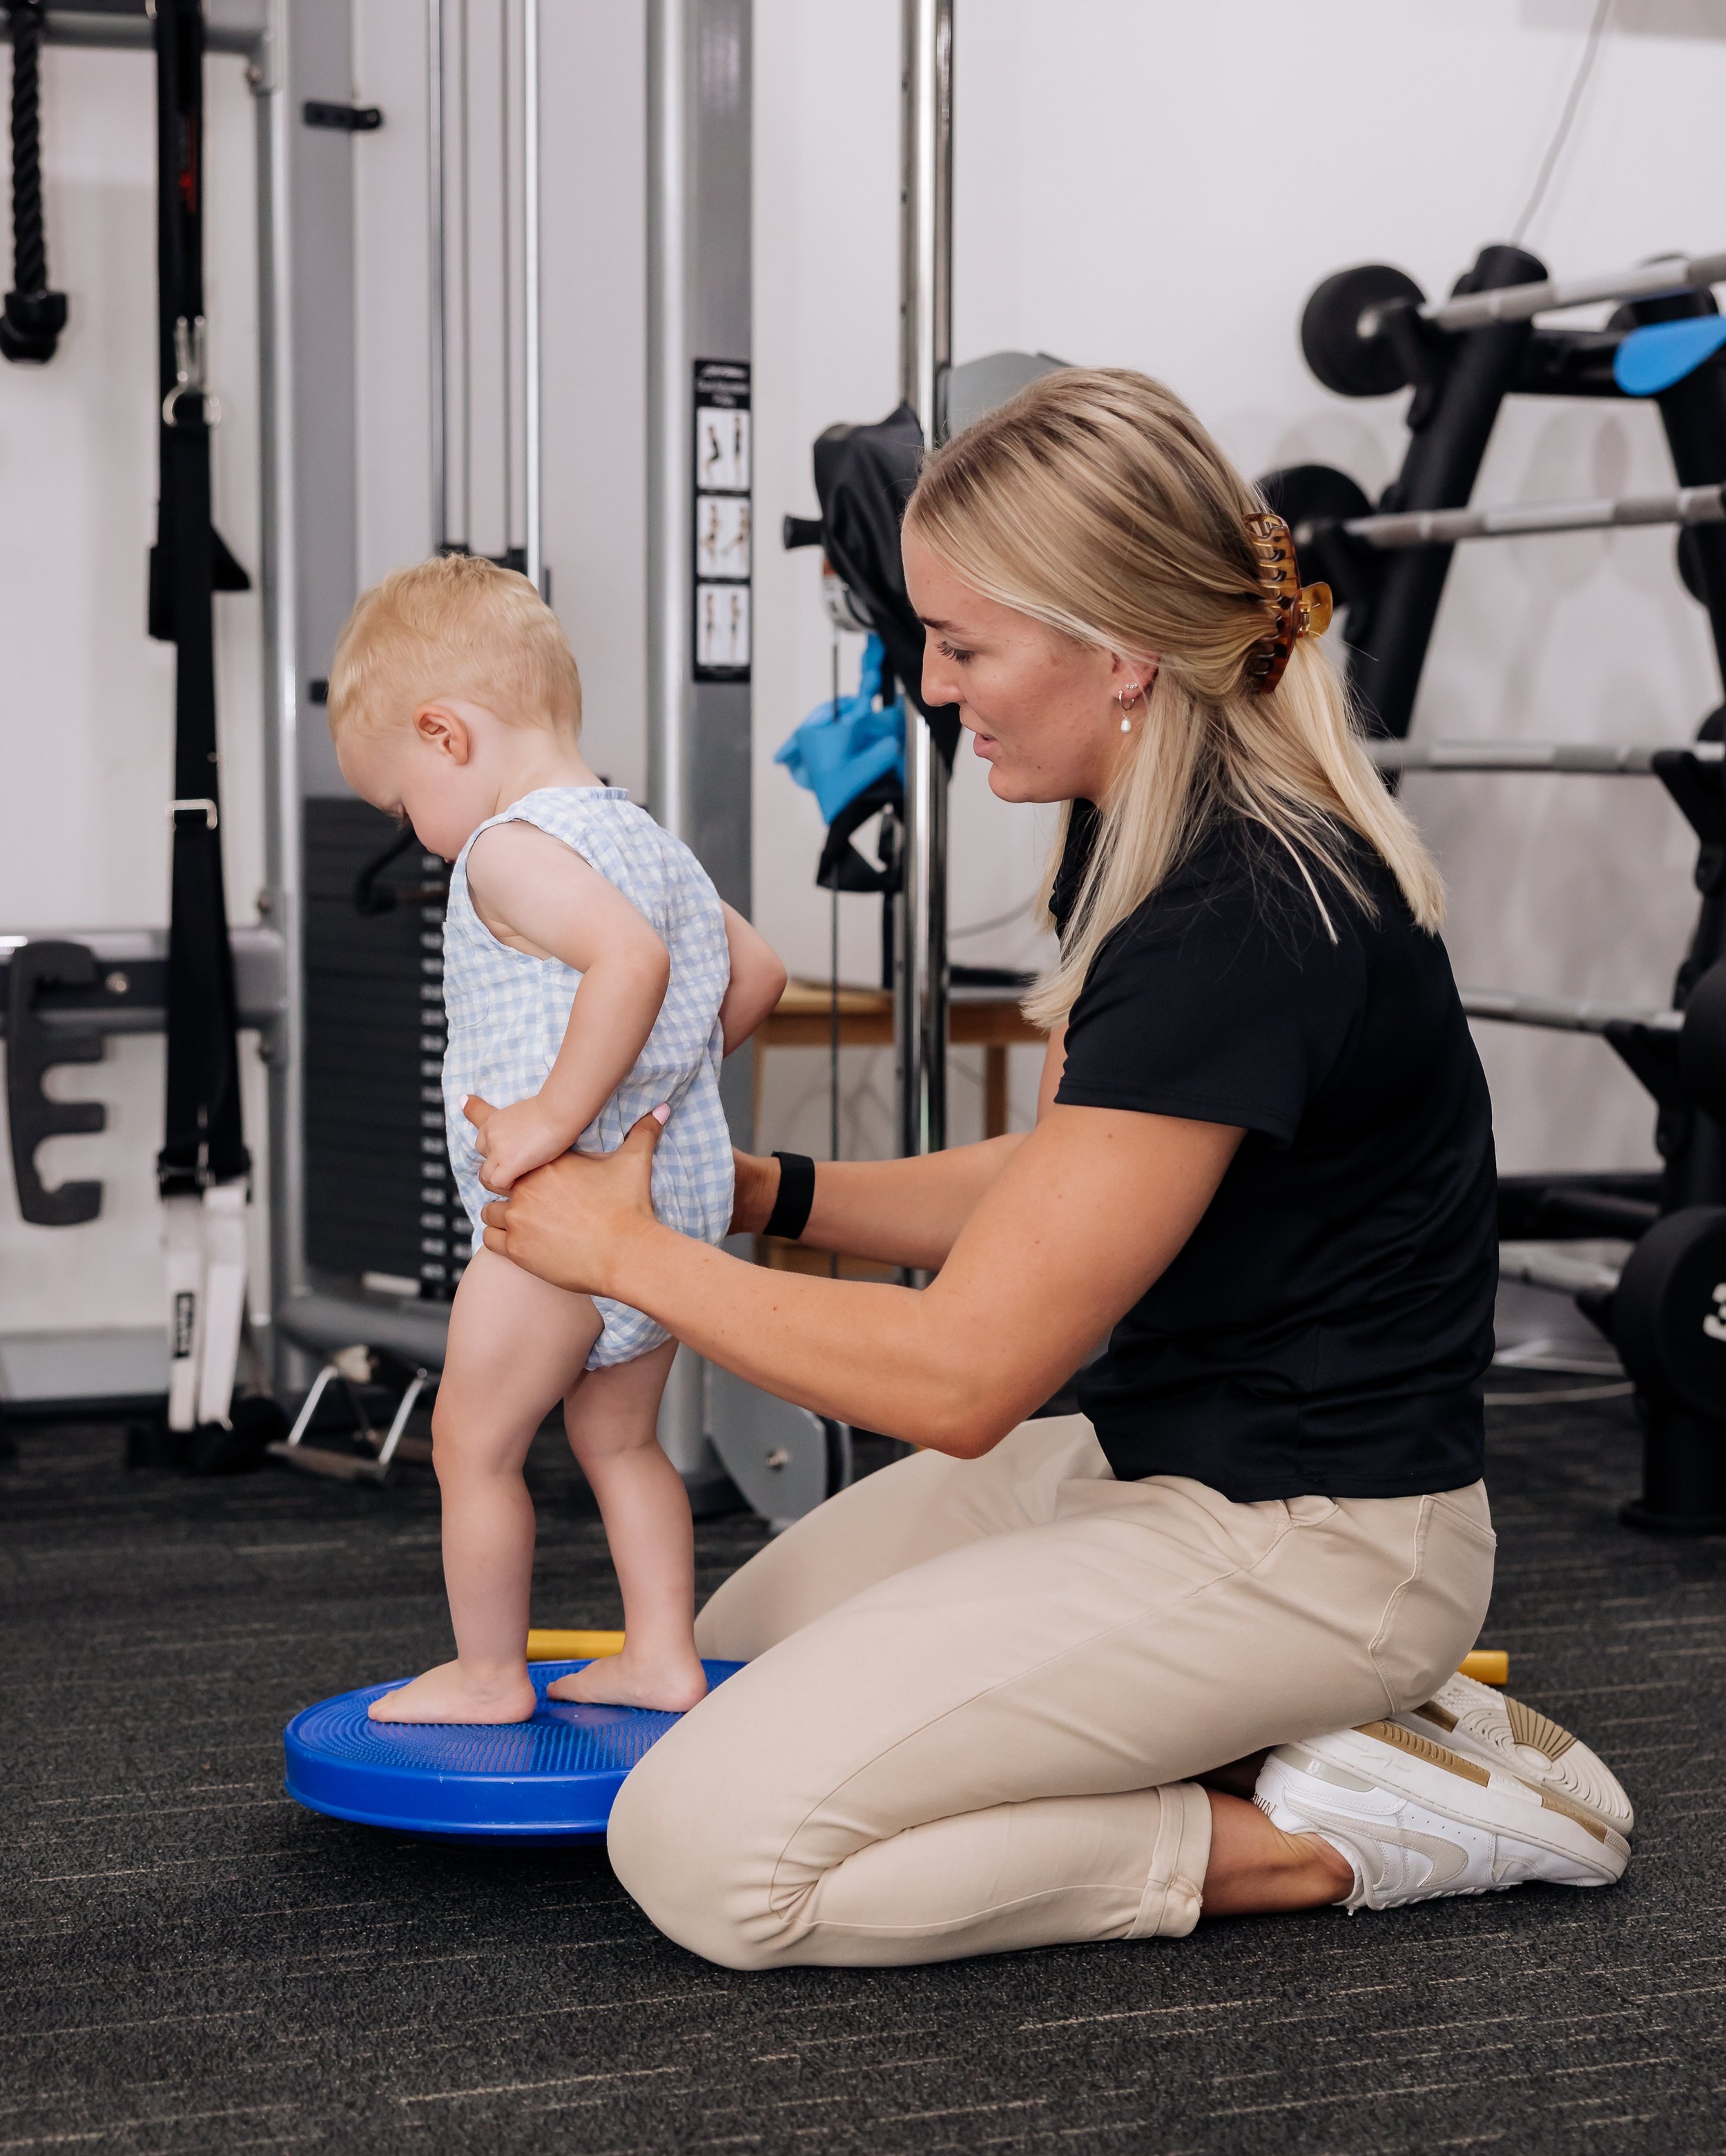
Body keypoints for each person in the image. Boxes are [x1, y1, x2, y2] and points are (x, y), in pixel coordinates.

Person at [483, 372, 1633, 1968]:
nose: (931, 686)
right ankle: (1268, 1732)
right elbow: (1064, 1182)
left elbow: (961, 1378)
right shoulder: (1135, 824)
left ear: (1119, 655)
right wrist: (750, 1194)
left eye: (962, 647)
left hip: (1313, 1541)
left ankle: (1337, 1834)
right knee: (730, 1656)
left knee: (706, 1847)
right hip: (1146, 1468)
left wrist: (625, 1255)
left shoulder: (1243, 910)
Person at [326, 556, 785, 1722]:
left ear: (445, 734)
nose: (417, 834)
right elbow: (757, 973)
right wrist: (663, 1083)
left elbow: (630, 962)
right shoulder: (644, 835)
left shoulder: (508, 847)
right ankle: (661, 1654)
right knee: (619, 1442)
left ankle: (489, 1675)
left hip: (562, 1218)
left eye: (403, 804)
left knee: (471, 1443)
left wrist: (555, 1115)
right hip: (667, 1208)